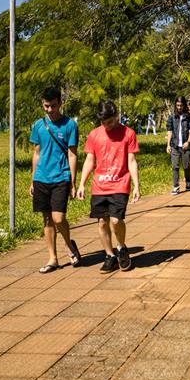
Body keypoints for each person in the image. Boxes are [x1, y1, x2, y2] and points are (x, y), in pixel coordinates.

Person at [77, 100, 140, 273]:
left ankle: (121, 248)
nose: (107, 126)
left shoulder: (128, 133)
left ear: (117, 116)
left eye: (110, 122)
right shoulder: (94, 135)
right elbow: (90, 160)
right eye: (103, 123)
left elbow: (132, 161)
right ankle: (109, 255)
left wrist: (136, 186)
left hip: (120, 184)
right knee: (102, 223)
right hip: (99, 186)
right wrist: (82, 183)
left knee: (115, 220)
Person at [29, 87, 81, 274]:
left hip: (61, 176)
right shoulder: (38, 125)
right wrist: (33, 180)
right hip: (42, 177)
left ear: (60, 103)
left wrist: (73, 182)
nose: (50, 110)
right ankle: (53, 258)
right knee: (47, 219)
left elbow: (72, 155)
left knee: (59, 218)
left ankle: (69, 245)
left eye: (53, 106)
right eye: (46, 106)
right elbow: (37, 152)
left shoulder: (70, 125)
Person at [167, 96, 190, 195]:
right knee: (175, 166)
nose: (179, 107)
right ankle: (176, 186)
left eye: (181, 105)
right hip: (174, 145)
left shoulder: (189, 117)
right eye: (177, 105)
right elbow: (169, 131)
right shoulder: (172, 117)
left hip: (185, 145)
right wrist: (168, 145)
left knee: (186, 166)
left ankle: (188, 181)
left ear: (184, 105)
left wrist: (188, 142)